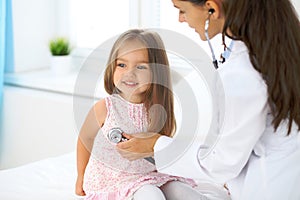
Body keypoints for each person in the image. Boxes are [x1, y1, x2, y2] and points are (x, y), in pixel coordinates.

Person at [117, 0, 300, 199]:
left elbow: (221, 163)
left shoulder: (243, 73)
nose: (180, 19)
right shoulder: (278, 49)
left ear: (212, 8)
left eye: (182, 10)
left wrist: (155, 145)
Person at [75, 29, 197, 200]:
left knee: (184, 193)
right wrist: (81, 176)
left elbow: (162, 149)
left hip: (148, 175)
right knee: (152, 195)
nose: (129, 73)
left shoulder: (158, 109)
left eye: (140, 67)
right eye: (122, 65)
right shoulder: (105, 107)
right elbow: (85, 139)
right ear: (112, 67)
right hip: (114, 180)